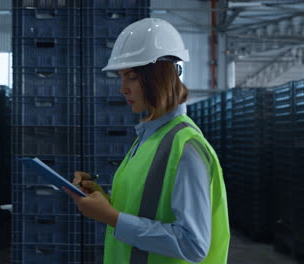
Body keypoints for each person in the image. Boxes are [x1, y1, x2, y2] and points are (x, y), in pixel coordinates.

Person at [63, 18, 230, 264]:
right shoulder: (150, 137)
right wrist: (102, 200)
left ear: (158, 77)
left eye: (131, 77)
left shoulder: (186, 148)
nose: (123, 89)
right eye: (121, 77)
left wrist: (113, 218)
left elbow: (194, 244)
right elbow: (146, 210)